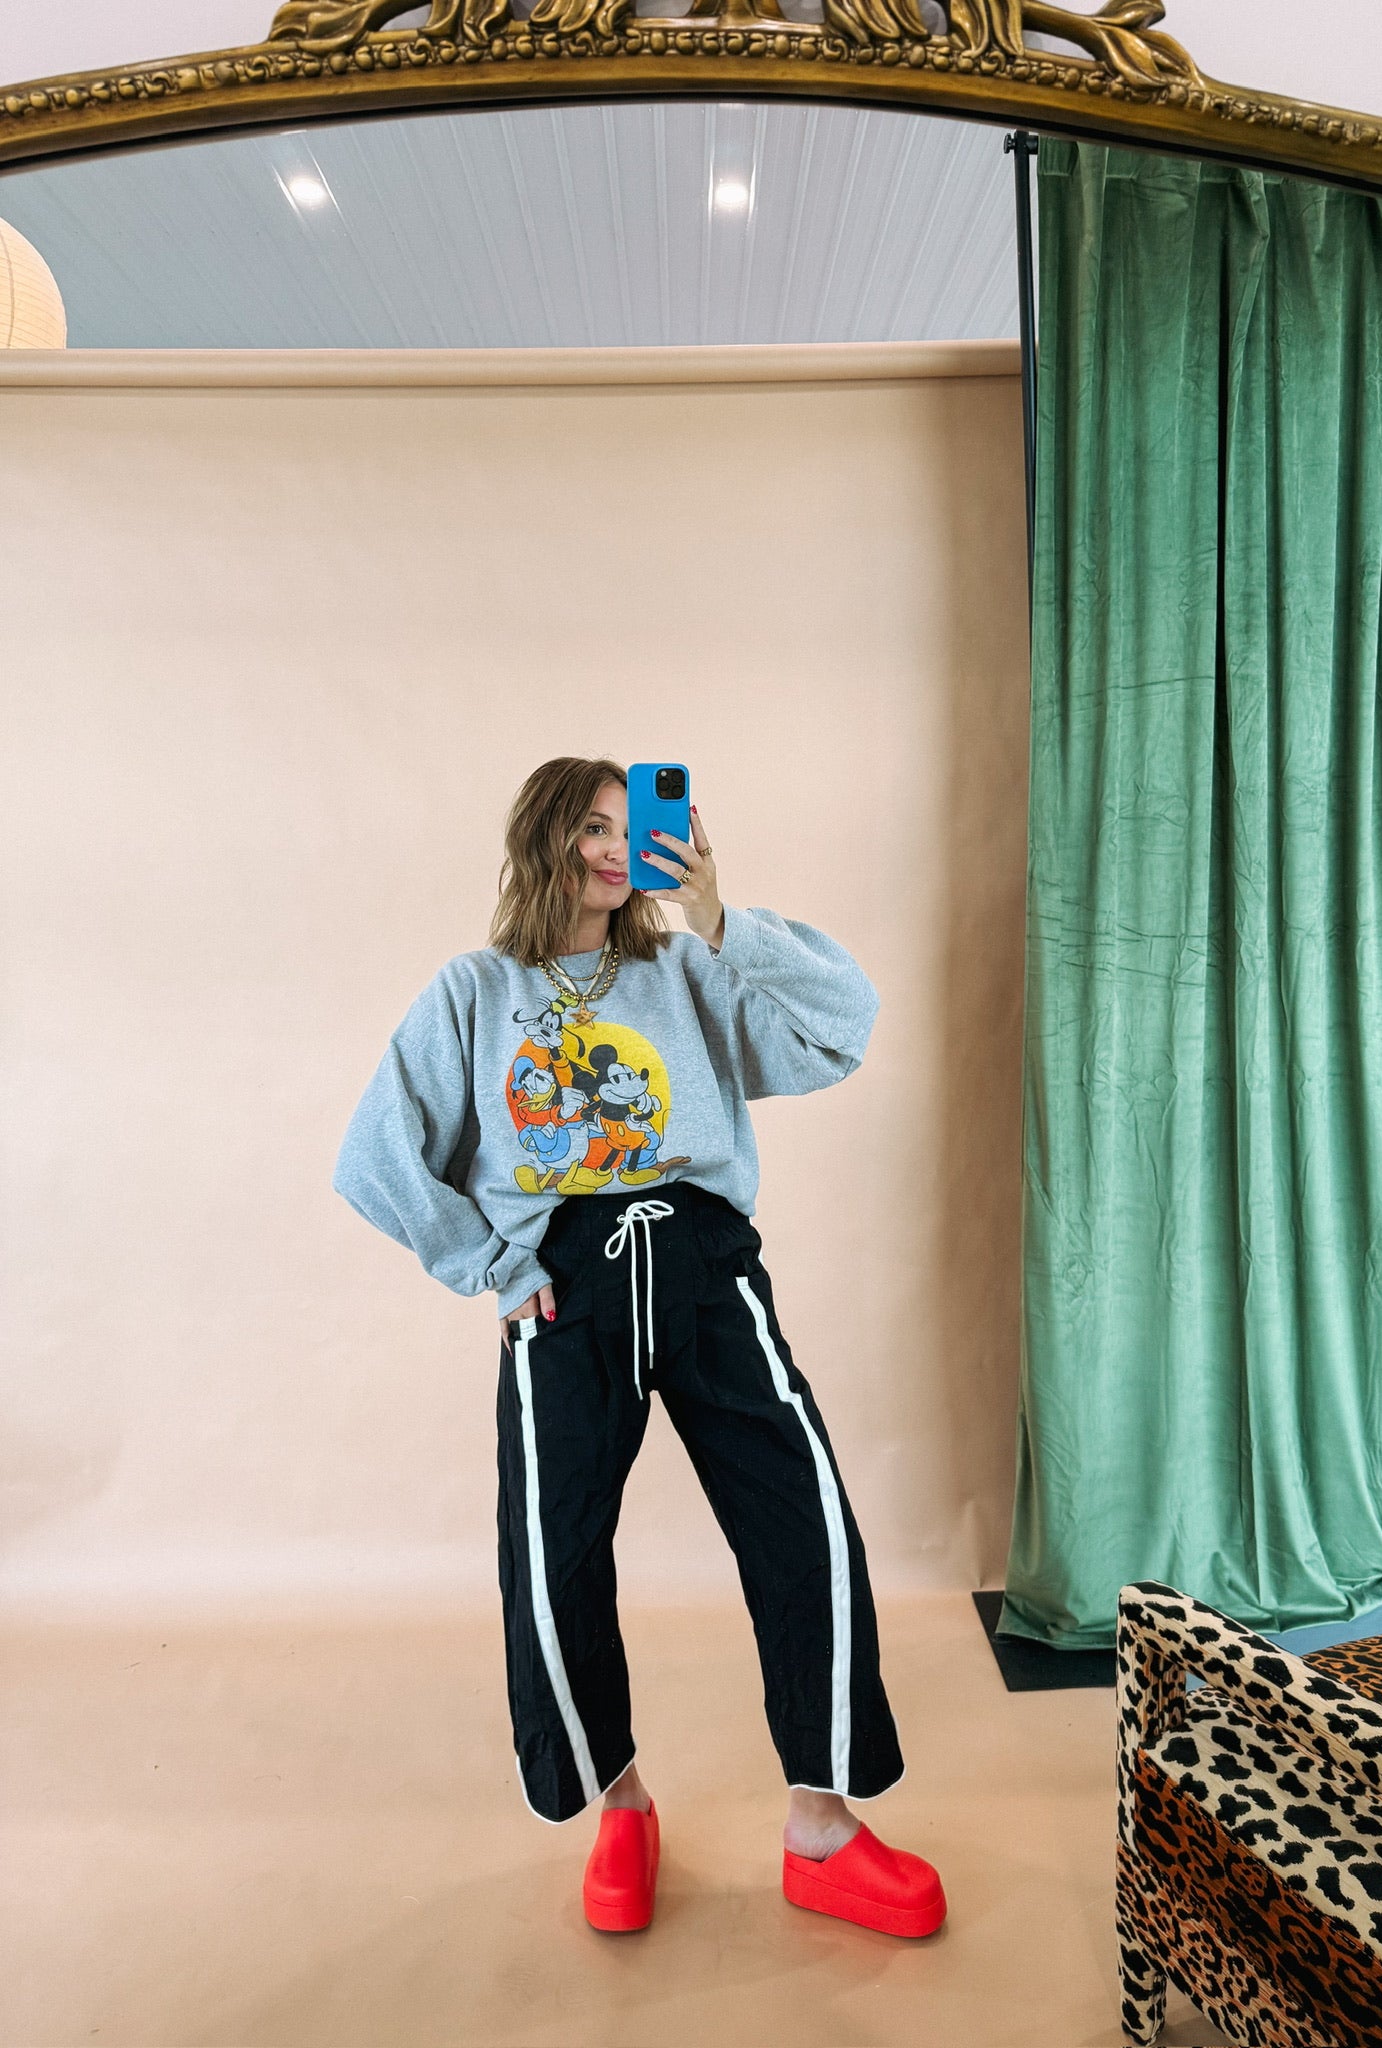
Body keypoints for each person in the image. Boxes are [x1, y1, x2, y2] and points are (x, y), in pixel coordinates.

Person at [334, 755, 945, 1940]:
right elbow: (375, 1154)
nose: (620, 849)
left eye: (635, 825)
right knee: (553, 1558)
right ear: (546, 837)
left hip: (706, 1267)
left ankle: (822, 1827)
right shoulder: (474, 991)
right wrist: (496, 1266)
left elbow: (843, 1026)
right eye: (595, 827)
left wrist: (719, 916)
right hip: (564, 1290)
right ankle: (618, 1803)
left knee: (804, 1520)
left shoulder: (686, 965)